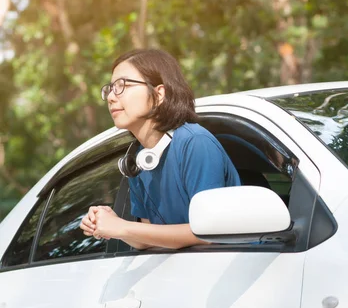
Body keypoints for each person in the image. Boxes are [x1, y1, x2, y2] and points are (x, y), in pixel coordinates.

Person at [79, 48, 241, 249]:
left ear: (158, 94)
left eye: (122, 86)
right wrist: (109, 224)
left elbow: (208, 233)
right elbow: (148, 240)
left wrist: (122, 228)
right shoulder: (137, 160)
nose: (111, 97)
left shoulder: (195, 143)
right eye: (110, 88)